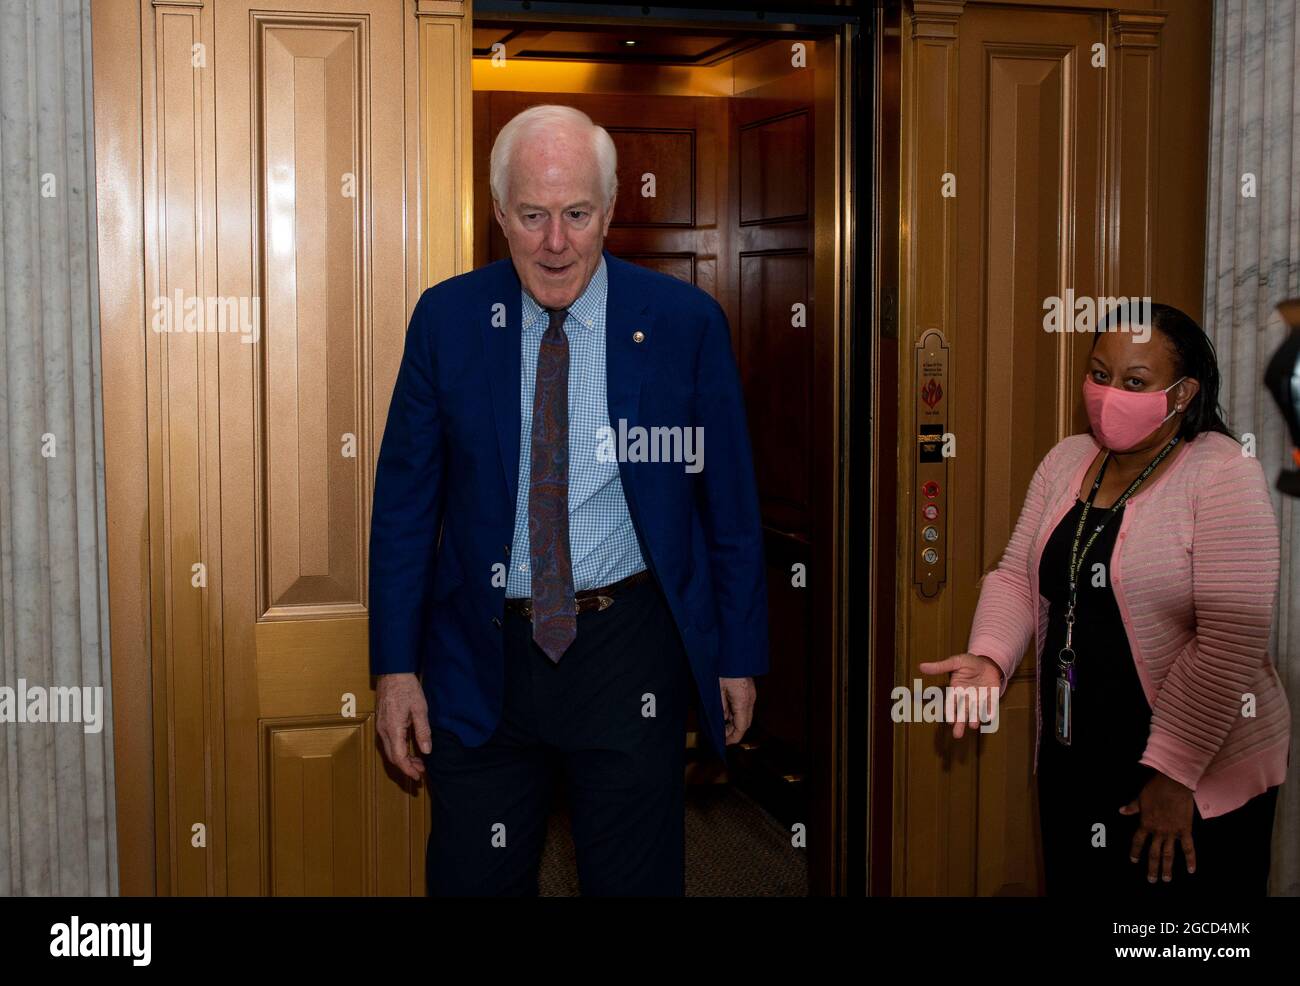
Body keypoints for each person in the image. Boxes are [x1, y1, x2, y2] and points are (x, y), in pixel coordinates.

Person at [367, 104, 768, 896]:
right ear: (498, 215)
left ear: (612, 209)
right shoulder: (446, 321)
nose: (556, 243)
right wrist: (395, 670)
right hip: (481, 662)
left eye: (578, 215)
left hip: (629, 659)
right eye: (533, 216)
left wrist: (738, 657)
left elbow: (730, 507)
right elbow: (406, 508)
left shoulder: (685, 324)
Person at [922, 303, 1291, 895]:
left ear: (1181, 394)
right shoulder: (1067, 459)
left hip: (1195, 765)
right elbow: (1019, 573)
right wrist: (990, 658)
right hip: (1078, 750)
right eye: (1099, 373)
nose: (1108, 393)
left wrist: (1173, 776)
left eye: (1135, 382)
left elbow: (1230, 641)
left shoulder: (1224, 474)